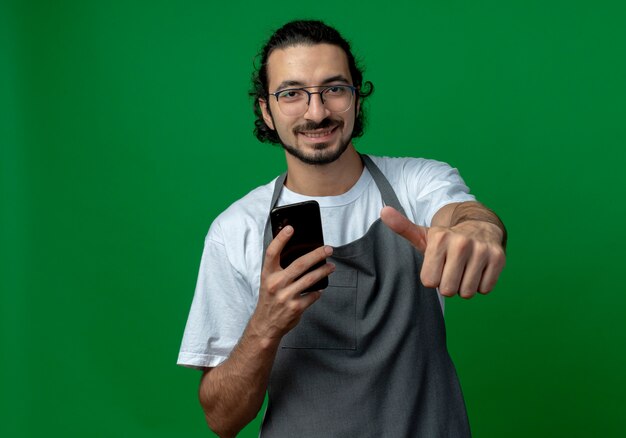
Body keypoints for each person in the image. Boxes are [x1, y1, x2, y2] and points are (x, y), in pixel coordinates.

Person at [178, 19, 506, 437]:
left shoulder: (415, 183)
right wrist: (265, 325)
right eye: (292, 94)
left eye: (334, 89)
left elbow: (463, 214)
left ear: (356, 96)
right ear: (266, 108)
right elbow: (222, 419)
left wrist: (478, 230)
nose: (317, 112)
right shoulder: (235, 230)